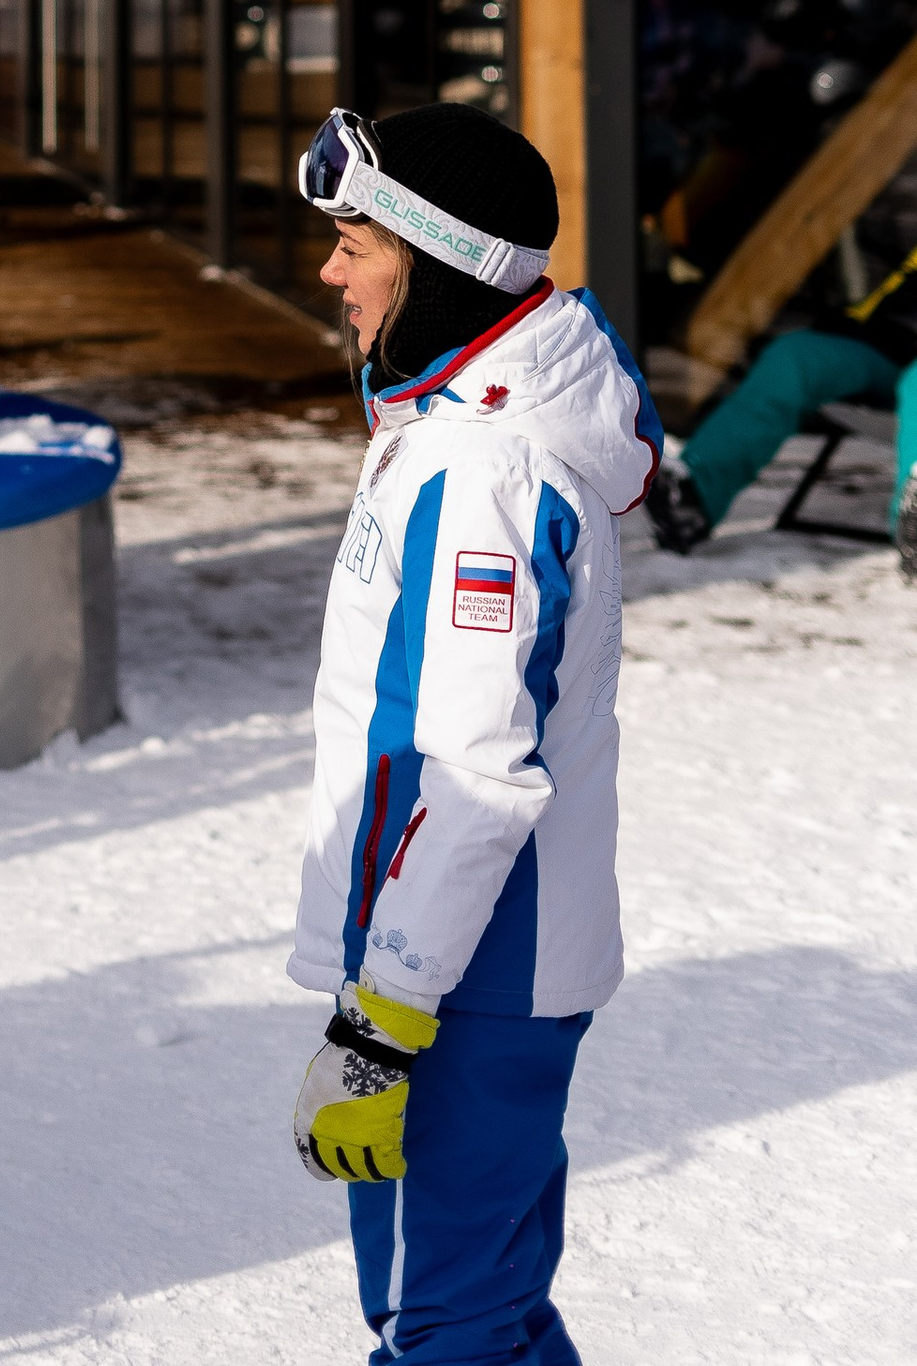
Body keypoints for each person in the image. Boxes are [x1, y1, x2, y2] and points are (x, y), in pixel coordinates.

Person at [290, 104, 662, 1366]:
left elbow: (470, 776)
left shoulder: (482, 475)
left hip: (463, 975)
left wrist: (381, 1019)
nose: (330, 271)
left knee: (442, 1325)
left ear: (437, 261)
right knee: (468, 1311)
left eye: (356, 245)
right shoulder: (453, 435)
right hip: (462, 960)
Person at [648, 236, 917, 575]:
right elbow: (892, 302)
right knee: (795, 357)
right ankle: (695, 494)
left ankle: (914, 523)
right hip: (892, 346)